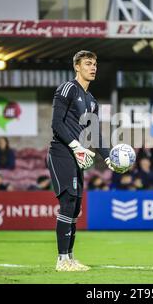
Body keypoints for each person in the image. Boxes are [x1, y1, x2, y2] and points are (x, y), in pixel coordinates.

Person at [47, 50, 126, 272]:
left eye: (95, 65)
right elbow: (56, 124)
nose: (93, 68)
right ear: (77, 67)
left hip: (77, 156)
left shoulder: (91, 101)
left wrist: (109, 156)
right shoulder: (67, 89)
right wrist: (75, 146)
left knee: (75, 209)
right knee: (68, 203)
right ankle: (61, 260)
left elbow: (95, 133)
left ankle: (70, 258)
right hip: (61, 152)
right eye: (88, 64)